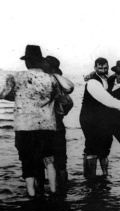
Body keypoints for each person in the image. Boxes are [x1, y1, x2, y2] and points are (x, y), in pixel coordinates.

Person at [0, 45, 62, 196]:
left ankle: (32, 194)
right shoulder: (51, 78)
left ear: (27, 61)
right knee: (49, 160)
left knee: (27, 161)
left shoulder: (16, 76)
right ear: (40, 61)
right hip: (47, 125)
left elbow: (3, 94)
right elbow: (60, 94)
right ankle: (53, 191)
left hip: (24, 126)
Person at [80, 57, 120, 179]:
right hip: (102, 121)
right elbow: (97, 76)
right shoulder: (108, 79)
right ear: (115, 72)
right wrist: (90, 75)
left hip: (117, 121)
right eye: (118, 73)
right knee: (103, 149)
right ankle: (105, 174)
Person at [43, 56, 75, 186]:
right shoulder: (57, 82)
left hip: (47, 126)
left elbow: (68, 100)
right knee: (60, 162)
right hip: (57, 124)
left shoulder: (51, 80)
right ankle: (61, 190)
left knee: (47, 161)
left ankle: (53, 191)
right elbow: (69, 103)